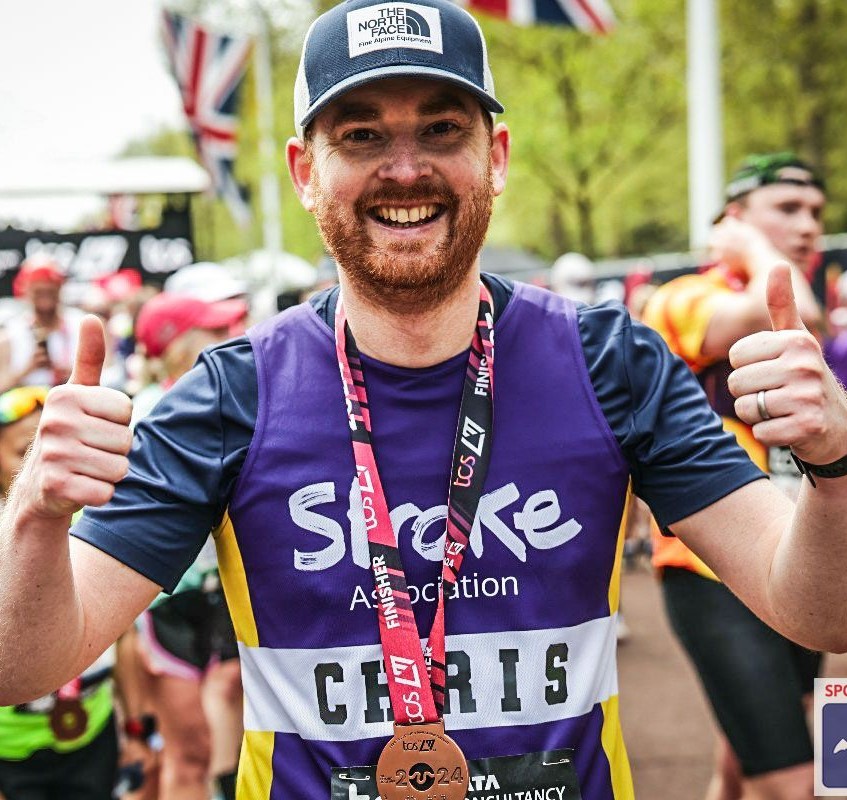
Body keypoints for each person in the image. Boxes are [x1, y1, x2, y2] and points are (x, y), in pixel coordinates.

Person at [2, 4, 847, 799]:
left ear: (497, 155)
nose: (404, 168)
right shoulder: (232, 393)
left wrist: (834, 464)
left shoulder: (611, 362)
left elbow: (815, 612)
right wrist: (36, 512)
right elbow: (23, 665)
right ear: (305, 171)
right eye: (360, 135)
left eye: (441, 129)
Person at [641, 152, 827, 800]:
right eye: (786, 210)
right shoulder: (684, 296)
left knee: (746, 746)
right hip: (711, 566)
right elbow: (790, 313)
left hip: (800, 548)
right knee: (794, 781)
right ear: (735, 218)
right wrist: (748, 242)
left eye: (814, 213)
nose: (807, 227)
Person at [132, 291, 249, 800]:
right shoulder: (147, 414)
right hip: (167, 602)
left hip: (217, 590)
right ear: (178, 345)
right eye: (214, 329)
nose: (229, 337)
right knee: (188, 752)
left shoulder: (229, 399)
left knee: (232, 720)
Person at [0, 387, 120, 800]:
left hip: (93, 729)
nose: (43, 470)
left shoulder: (95, 519)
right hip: (12, 751)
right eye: (24, 454)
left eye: (48, 451)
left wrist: (138, 725)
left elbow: (129, 636)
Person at [0, 254, 85, 393]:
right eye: (38, 292)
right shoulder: (10, 335)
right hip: (27, 408)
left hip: (71, 402)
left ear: (60, 288)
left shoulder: (81, 325)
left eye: (50, 291)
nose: (44, 298)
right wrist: (28, 369)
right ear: (25, 290)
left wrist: (74, 374)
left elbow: (111, 375)